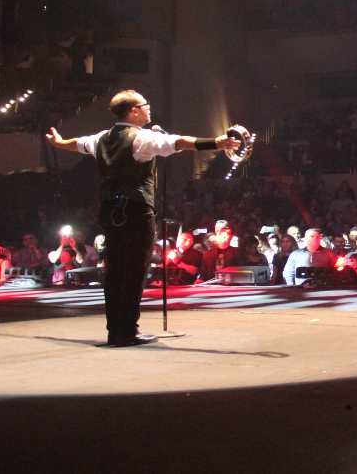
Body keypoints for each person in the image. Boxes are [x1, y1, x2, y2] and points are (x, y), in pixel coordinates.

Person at [45, 89, 240, 347]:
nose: (149, 108)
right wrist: (216, 142)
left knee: (115, 271)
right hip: (136, 210)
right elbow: (180, 142)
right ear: (133, 111)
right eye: (145, 105)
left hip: (109, 211)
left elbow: (77, 144)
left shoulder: (103, 137)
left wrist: (58, 143)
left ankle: (116, 330)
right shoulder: (142, 138)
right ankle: (128, 331)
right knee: (135, 271)